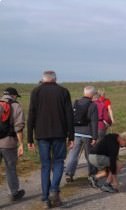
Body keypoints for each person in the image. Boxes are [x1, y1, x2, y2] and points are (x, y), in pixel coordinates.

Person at [27, 71, 74, 208]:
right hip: (59, 133)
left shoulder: (36, 91)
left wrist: (29, 138)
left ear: (43, 79)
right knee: (59, 162)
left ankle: (45, 198)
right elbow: (69, 115)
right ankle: (54, 189)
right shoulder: (63, 91)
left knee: (45, 165)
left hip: (42, 135)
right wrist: (71, 136)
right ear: (55, 79)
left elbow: (31, 115)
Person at [65, 86, 98, 184]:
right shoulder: (93, 105)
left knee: (73, 154)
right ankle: (92, 174)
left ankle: (69, 173)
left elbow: (70, 118)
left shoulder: (75, 102)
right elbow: (94, 122)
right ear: (92, 94)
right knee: (89, 155)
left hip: (75, 132)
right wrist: (95, 137)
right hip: (88, 134)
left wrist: (69, 133)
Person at [0, 87, 25, 202]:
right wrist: (21, 144)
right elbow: (19, 128)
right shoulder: (16, 106)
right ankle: (14, 193)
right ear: (14, 96)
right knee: (10, 168)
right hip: (8, 143)